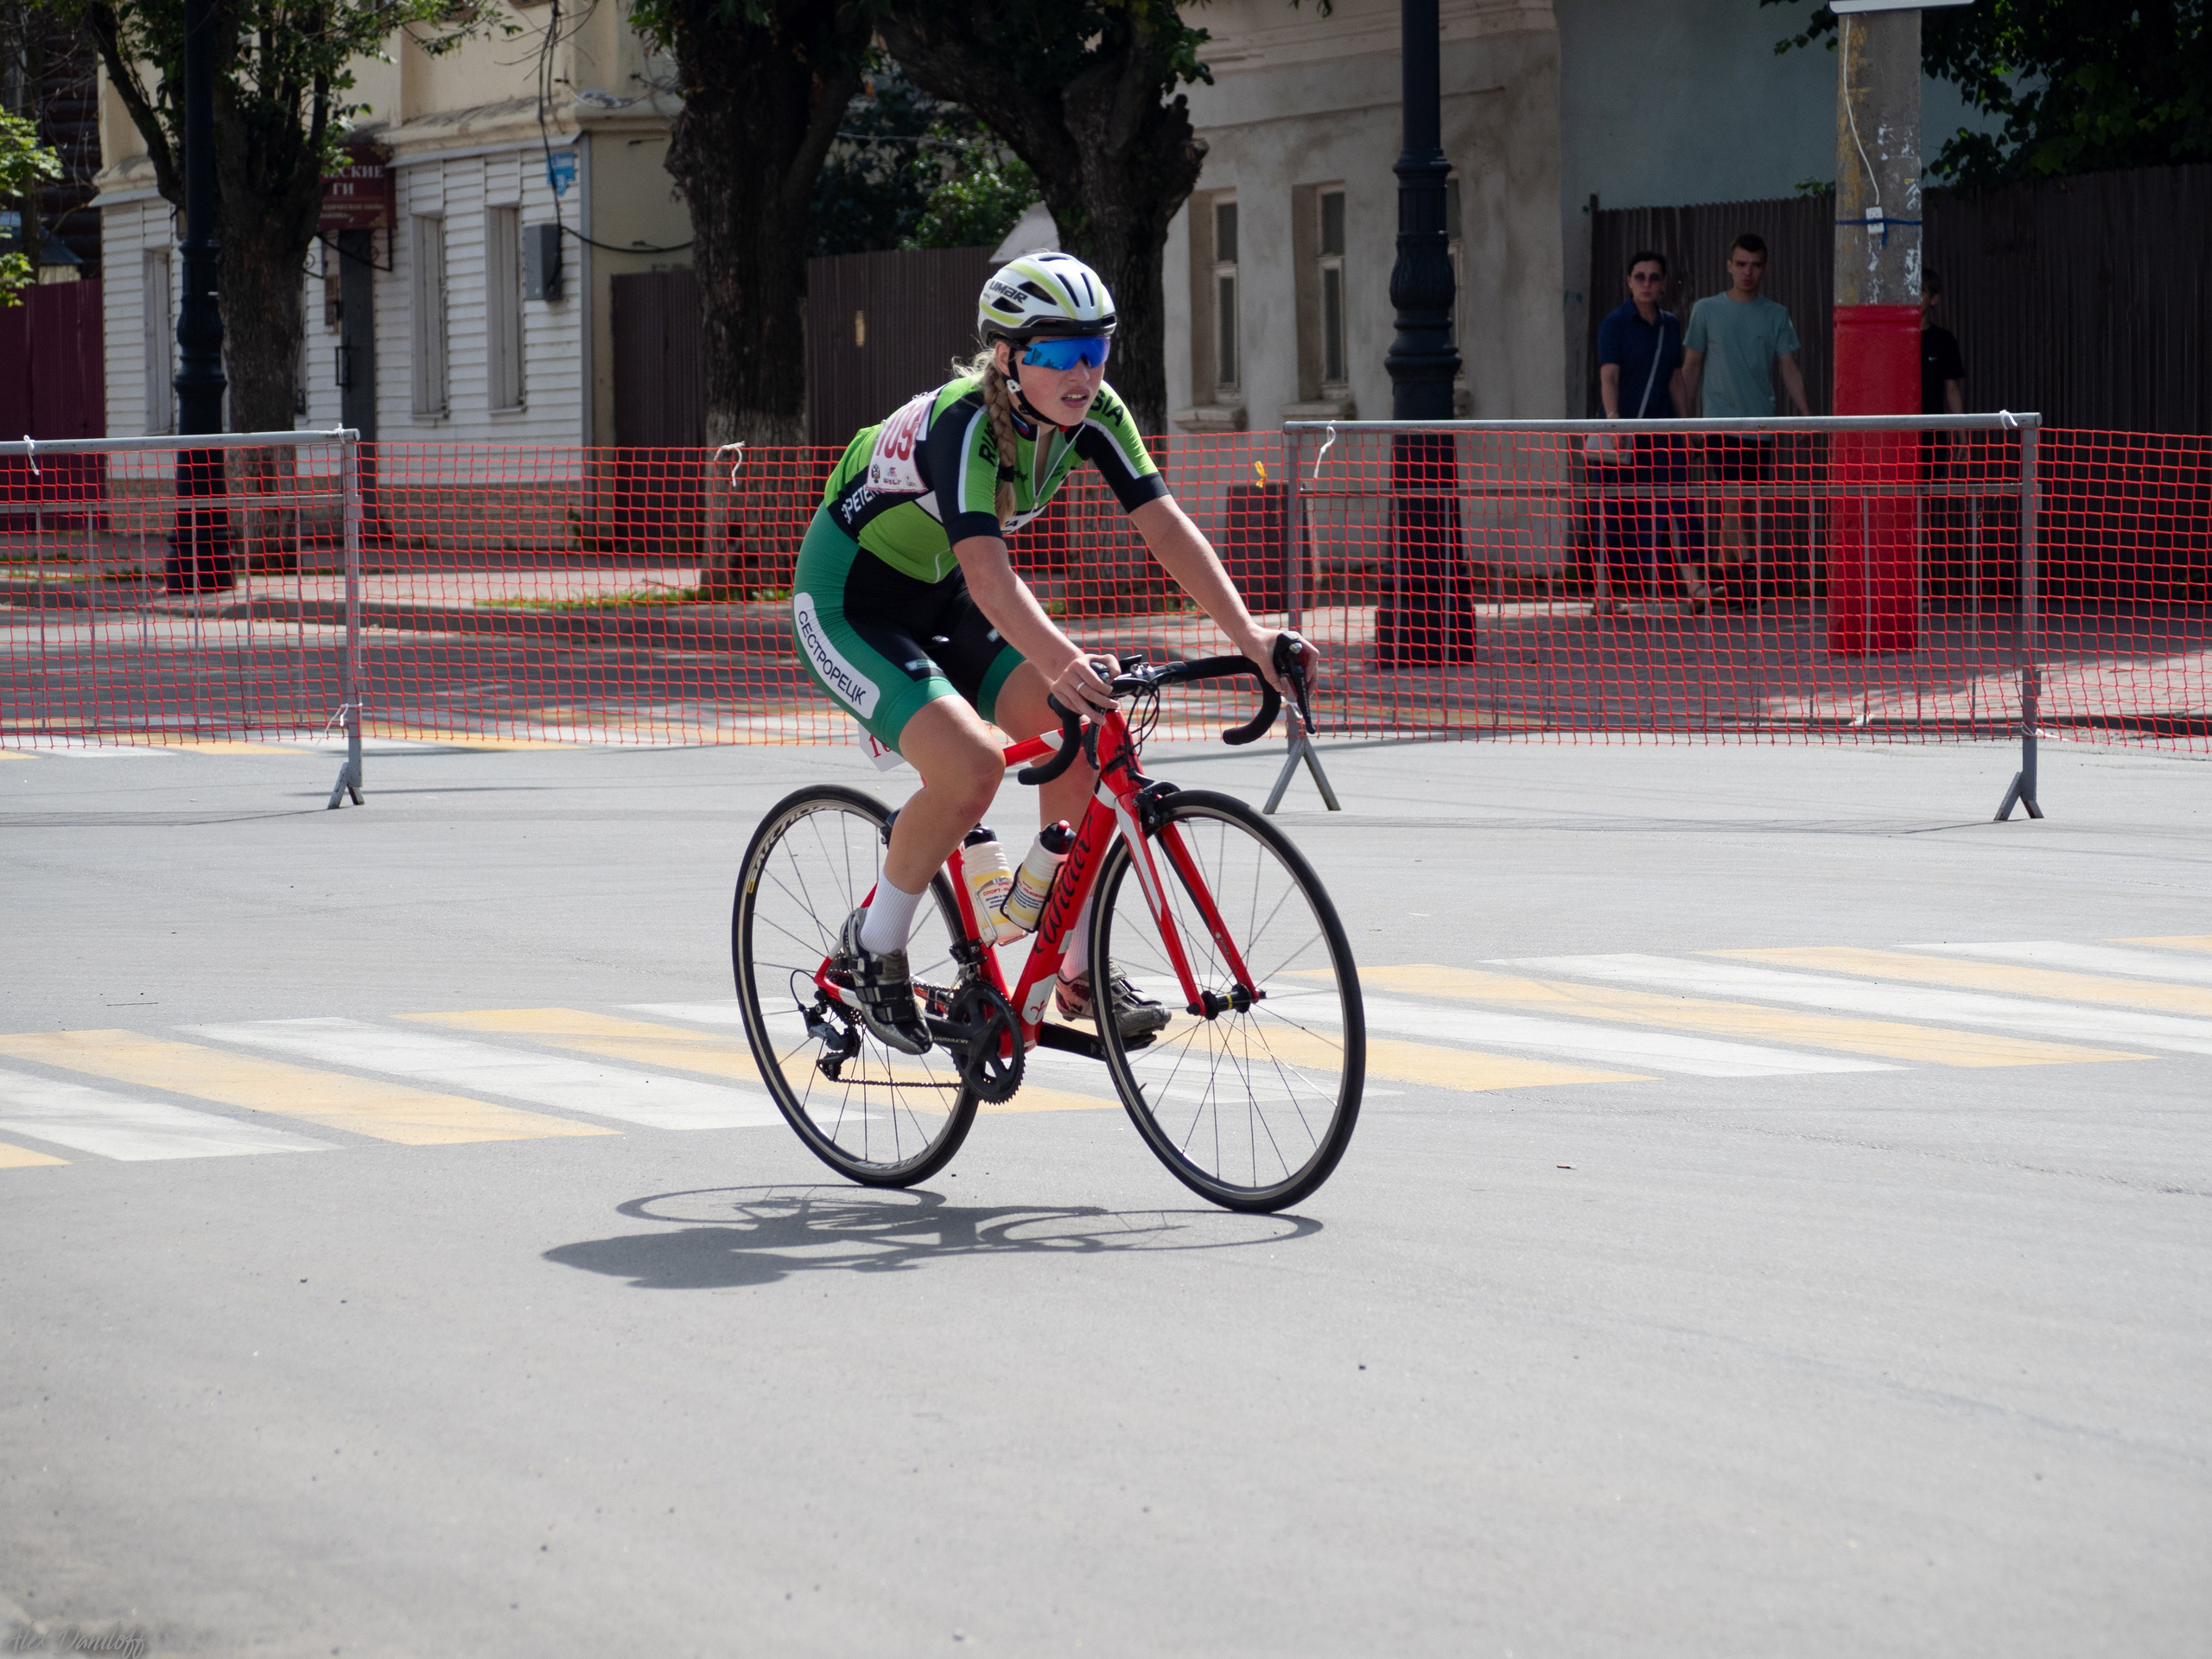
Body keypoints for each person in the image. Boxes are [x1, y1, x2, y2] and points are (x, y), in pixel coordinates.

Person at [791, 250, 1316, 1057]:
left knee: (1083, 743)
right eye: (1060, 353)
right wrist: (1069, 658)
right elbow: (990, 574)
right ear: (1008, 357)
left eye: (1097, 349)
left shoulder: (1097, 413)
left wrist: (1252, 638)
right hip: (849, 602)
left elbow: (1166, 526)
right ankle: (873, 941)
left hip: (947, 596)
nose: (1083, 371)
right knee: (972, 768)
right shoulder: (965, 421)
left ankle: (1073, 972)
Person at [1681, 232, 1812, 610]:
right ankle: (1745, 574)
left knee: (1741, 506)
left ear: (1764, 269)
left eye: (1754, 265)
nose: (1747, 271)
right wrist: (1686, 422)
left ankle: (1727, 580)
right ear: (1729, 266)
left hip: (1760, 425)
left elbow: (1789, 368)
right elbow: (1690, 367)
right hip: (1718, 424)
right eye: (1740, 264)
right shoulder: (1706, 310)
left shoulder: (1776, 314)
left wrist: (1805, 415)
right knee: (1733, 501)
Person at [1592, 249, 1699, 615]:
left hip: (1661, 428)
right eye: (1640, 277)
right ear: (1628, 282)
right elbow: (1609, 375)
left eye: (1654, 277)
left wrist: (1685, 426)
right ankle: (1604, 592)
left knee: (1679, 502)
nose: (1647, 284)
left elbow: (1674, 377)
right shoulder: (1614, 324)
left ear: (1664, 283)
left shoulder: (1670, 324)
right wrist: (1614, 419)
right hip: (1621, 429)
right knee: (1612, 510)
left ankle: (1695, 585)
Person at [1922, 269, 1966, 416]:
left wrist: (1963, 437)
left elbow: (1951, 388)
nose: (1914, 297)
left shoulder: (1944, 340)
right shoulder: (1894, 339)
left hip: (1933, 431)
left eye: (1921, 292)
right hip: (1898, 431)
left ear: (1934, 299)